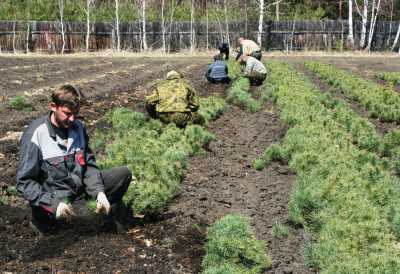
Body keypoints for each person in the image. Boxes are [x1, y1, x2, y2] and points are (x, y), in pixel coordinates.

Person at [16, 84, 133, 236]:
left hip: (78, 192)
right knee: (89, 225)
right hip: (55, 201)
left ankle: (101, 212)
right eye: (67, 113)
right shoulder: (36, 134)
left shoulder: (78, 127)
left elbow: (89, 165)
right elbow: (24, 182)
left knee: (123, 174)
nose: (72, 119)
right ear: (53, 106)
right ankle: (46, 225)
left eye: (76, 114)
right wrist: (53, 204)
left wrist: (99, 192)